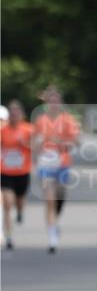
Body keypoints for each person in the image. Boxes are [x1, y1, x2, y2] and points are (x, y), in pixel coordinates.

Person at [33, 87, 79, 253]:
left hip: (62, 163)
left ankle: (55, 223)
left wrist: (63, 143)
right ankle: (52, 238)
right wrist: (37, 146)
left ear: (60, 102)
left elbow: (76, 141)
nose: (53, 104)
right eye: (50, 101)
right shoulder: (40, 120)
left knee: (59, 198)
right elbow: (34, 142)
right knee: (50, 200)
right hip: (45, 164)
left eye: (56, 101)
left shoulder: (67, 120)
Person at [1, 101, 33, 249]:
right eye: (11, 115)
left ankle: (20, 211)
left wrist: (24, 143)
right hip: (5, 172)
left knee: (19, 200)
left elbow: (37, 147)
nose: (14, 117)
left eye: (16, 114)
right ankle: (9, 237)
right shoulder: (3, 130)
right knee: (7, 204)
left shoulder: (28, 129)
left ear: (21, 115)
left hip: (22, 172)